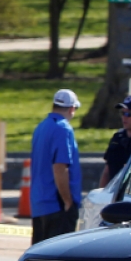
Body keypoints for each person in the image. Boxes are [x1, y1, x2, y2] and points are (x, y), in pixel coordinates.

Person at [30, 89, 82, 245]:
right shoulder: (63, 129)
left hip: (39, 202)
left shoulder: (41, 127)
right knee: (58, 258)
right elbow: (60, 167)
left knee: (40, 257)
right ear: (72, 109)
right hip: (57, 204)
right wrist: (67, 200)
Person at [99, 95, 131, 187]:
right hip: (114, 192)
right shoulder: (118, 137)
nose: (124, 117)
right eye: (122, 113)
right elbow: (107, 171)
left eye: (129, 114)